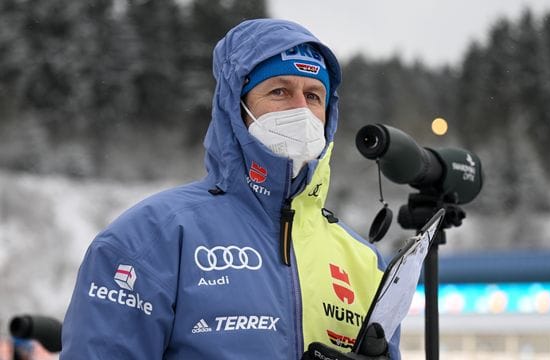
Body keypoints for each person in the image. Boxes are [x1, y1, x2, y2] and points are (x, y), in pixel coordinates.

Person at [61, 18, 401, 359]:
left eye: (313, 96)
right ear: (236, 107)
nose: (301, 110)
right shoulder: (151, 239)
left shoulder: (364, 262)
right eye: (279, 91)